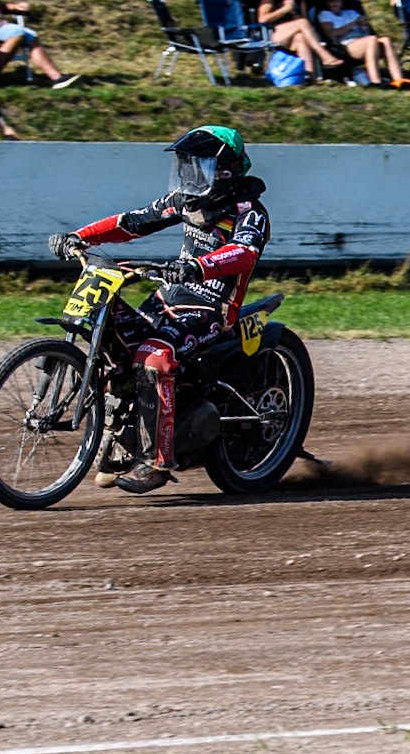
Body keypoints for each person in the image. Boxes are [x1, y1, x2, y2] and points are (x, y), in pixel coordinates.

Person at [47, 127, 270, 494]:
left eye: (198, 168)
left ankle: (156, 462)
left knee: (154, 359)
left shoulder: (250, 213)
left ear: (225, 171)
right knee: (110, 338)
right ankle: (122, 436)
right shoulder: (185, 202)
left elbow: (245, 252)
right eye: (185, 167)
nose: (189, 176)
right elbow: (132, 222)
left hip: (211, 310)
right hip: (169, 299)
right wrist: (79, 237)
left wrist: (199, 267)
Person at [257, 0, 344, 78]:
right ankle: (324, 55)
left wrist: (295, 14)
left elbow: (305, 22)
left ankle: (310, 77)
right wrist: (285, 10)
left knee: (301, 38)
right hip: (274, 34)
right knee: (301, 23)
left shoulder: (298, 0)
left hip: (294, 36)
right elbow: (262, 19)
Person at [318, 0, 410, 89]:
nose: (335, 2)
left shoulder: (350, 13)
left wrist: (364, 24)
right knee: (371, 40)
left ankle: (398, 80)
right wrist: (353, 24)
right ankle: (375, 81)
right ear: (327, 1)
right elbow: (332, 35)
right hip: (345, 45)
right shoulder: (325, 15)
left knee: (385, 40)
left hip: (363, 39)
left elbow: (365, 25)